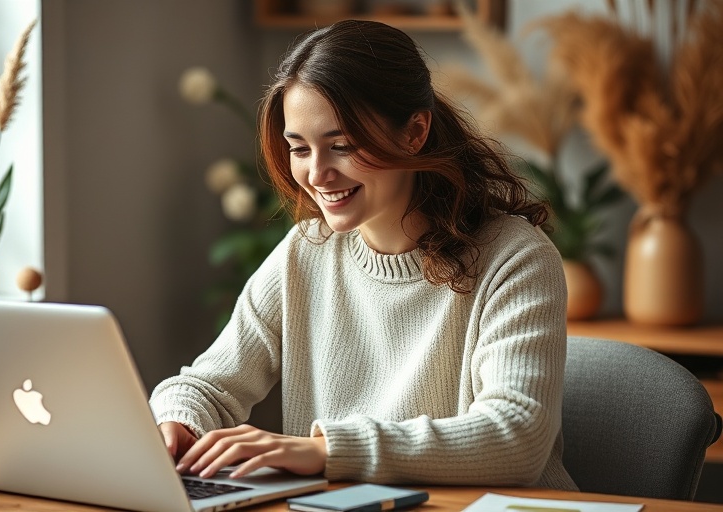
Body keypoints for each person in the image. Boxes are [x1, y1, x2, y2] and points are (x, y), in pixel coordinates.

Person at [150, 19, 577, 490]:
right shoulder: (305, 253)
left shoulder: (515, 258)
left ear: (414, 132)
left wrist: (326, 451)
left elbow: (516, 439)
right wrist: (179, 424)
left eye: (341, 146)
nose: (317, 174)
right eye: (300, 149)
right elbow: (209, 385)